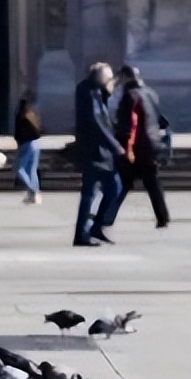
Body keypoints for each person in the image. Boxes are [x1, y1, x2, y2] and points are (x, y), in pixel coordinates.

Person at [112, 65, 171, 229]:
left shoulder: (129, 96)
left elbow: (128, 123)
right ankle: (163, 217)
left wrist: (120, 141)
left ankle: (107, 215)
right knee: (152, 182)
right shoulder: (150, 93)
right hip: (152, 144)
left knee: (123, 182)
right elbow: (158, 118)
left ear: (125, 77)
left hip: (137, 146)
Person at [72, 62, 124, 246]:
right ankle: (82, 233)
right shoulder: (89, 93)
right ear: (102, 79)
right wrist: (114, 145)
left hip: (101, 154)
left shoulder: (96, 92)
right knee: (90, 193)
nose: (112, 83)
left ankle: (95, 227)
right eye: (109, 79)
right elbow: (96, 124)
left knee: (114, 188)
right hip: (94, 152)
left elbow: (104, 120)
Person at [13, 91, 43, 204]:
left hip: (26, 143)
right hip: (36, 143)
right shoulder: (32, 114)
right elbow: (40, 128)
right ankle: (34, 196)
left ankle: (32, 190)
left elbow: (18, 132)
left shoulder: (20, 116)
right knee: (32, 170)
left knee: (20, 169)